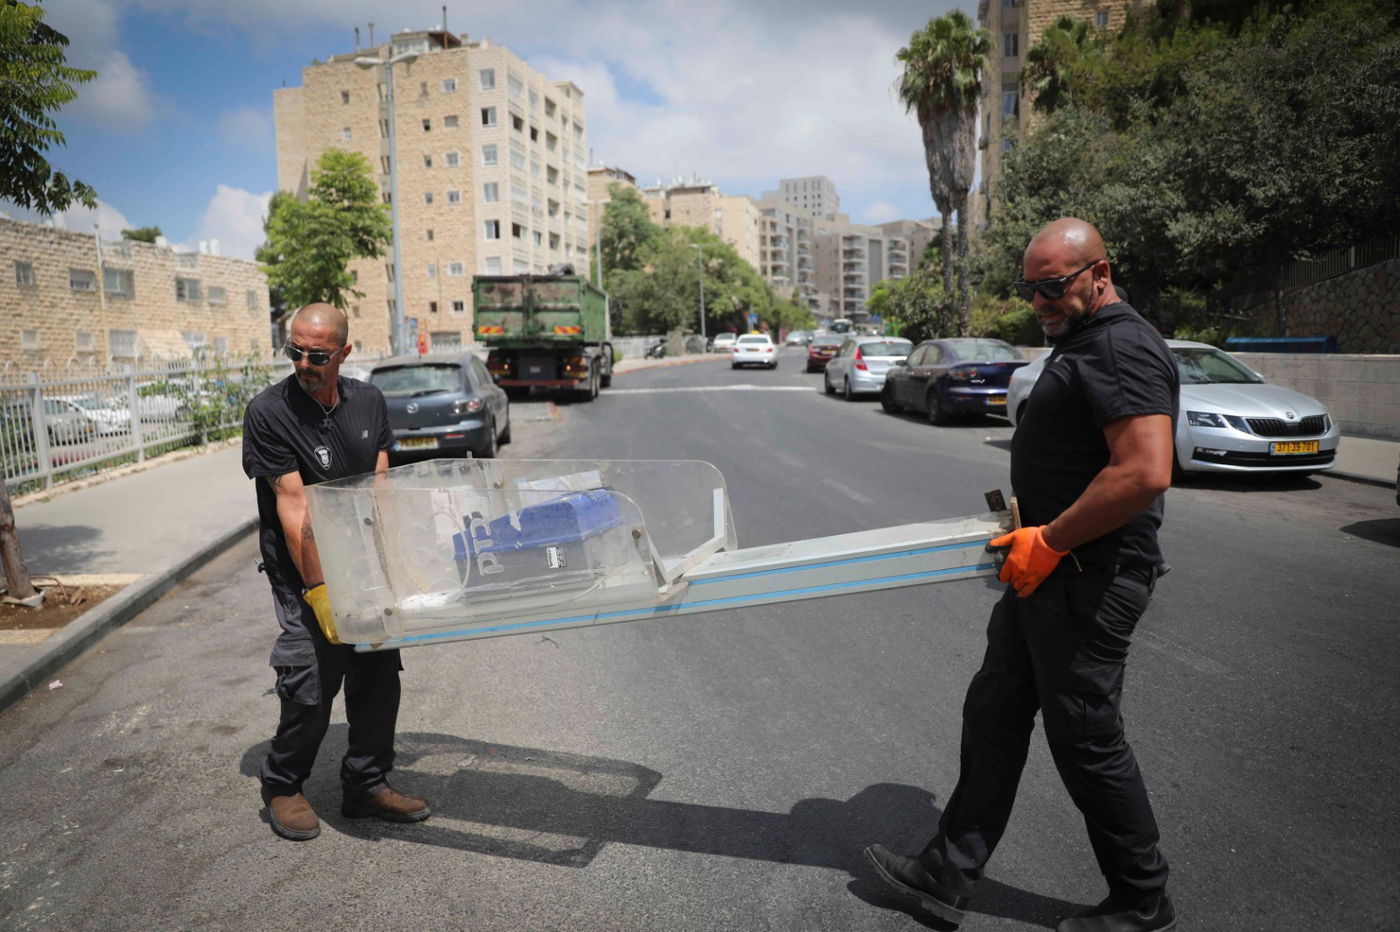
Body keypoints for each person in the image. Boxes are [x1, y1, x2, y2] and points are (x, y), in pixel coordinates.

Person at [864, 218, 1179, 932]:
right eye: (1028, 288)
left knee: (1087, 740)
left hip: (1087, 576)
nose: (1038, 300)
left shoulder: (1122, 345)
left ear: (1100, 272)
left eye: (1053, 286)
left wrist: (1052, 540)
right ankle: (946, 874)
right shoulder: (1083, 342)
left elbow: (1144, 471)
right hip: (1046, 568)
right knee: (996, 711)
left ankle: (1142, 899)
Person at [242, 303, 430, 841]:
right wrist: (323, 592)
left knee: (376, 675)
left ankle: (366, 784)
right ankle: (282, 785)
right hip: (306, 573)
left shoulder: (369, 400)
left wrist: (401, 565)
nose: (303, 362)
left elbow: (382, 484)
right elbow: (296, 507)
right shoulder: (270, 412)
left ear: (345, 352)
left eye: (317, 355)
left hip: (365, 565)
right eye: (294, 351)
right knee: (312, 678)